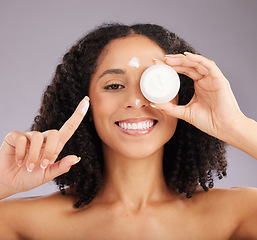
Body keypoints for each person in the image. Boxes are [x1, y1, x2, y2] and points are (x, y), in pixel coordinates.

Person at [0, 23, 256, 239]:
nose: (136, 101)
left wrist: (234, 125)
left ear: (182, 95)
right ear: (84, 102)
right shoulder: (23, 224)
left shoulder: (238, 213)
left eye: (154, 83)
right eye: (113, 85)